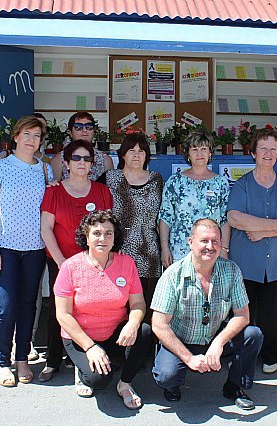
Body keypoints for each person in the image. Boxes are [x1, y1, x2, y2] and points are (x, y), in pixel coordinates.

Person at [151, 218, 263, 410]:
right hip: (182, 339)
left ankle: (233, 387)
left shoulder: (231, 270)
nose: (210, 247)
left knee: (253, 335)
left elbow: (242, 315)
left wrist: (218, 343)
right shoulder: (172, 275)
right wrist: (188, 358)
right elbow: (159, 324)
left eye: (215, 241)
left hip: (214, 336)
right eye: (204, 241)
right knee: (166, 376)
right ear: (191, 242)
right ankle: (173, 383)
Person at [54, 210, 152, 409]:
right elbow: (62, 314)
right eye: (96, 233)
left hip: (114, 333)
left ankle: (125, 384)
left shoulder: (126, 263)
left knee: (145, 331)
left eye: (109, 233)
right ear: (86, 236)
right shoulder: (70, 267)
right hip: (80, 337)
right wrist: (90, 347)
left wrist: (133, 323)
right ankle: (82, 370)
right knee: (98, 381)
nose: (103, 238)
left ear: (115, 237)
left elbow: (138, 304)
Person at [0, 115, 52, 387]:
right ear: (16, 136)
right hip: (5, 249)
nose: (31, 140)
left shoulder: (44, 170)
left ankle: (22, 358)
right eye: (27, 134)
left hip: (35, 249)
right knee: (6, 306)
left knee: (27, 305)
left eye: (36, 136)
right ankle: (3, 361)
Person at [38, 139, 113, 382]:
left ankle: (82, 357)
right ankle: (53, 361)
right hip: (61, 260)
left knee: (90, 308)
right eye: (77, 158)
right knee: (58, 311)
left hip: (94, 262)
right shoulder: (54, 190)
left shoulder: (101, 191)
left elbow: (107, 227)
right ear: (67, 162)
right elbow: (46, 229)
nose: (82, 163)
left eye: (87, 159)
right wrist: (61, 261)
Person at [227, 127, 277, 374]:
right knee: (243, 312)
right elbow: (235, 218)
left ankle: (270, 355)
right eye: (263, 148)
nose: (268, 154)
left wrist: (260, 231)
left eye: (273, 149)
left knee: (275, 313)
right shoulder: (242, 185)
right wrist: (276, 226)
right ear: (253, 153)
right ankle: (241, 354)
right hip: (246, 261)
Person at [98, 132, 164, 323]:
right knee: (116, 303)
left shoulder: (156, 180)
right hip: (116, 251)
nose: (136, 154)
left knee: (146, 304)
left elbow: (163, 217)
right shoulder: (109, 178)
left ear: (147, 156)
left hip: (148, 253)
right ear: (123, 155)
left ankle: (143, 348)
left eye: (141, 151)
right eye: (131, 150)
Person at [159, 129, 230, 266]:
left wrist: (224, 249)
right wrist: (165, 248)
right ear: (188, 154)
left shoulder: (221, 183)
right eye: (194, 149)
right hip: (180, 252)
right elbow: (165, 217)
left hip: (211, 251)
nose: (199, 154)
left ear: (210, 153)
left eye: (204, 149)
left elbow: (225, 219)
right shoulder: (175, 182)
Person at [51, 112, 114, 181]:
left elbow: (109, 188)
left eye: (89, 127)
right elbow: (54, 188)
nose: (84, 130)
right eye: (78, 127)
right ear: (70, 133)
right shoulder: (59, 159)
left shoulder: (105, 160)